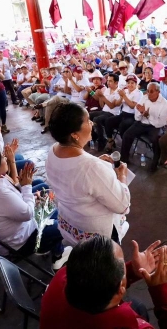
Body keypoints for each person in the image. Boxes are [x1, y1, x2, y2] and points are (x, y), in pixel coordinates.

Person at [40, 236, 167, 329]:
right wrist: (162, 293)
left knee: (138, 306)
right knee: (139, 309)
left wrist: (133, 271)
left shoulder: (62, 275)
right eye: (124, 265)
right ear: (120, 289)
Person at [0, 146, 71, 269]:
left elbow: (15, 199)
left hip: (17, 230)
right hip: (22, 242)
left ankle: (55, 247)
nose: (5, 157)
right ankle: (57, 255)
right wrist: (27, 187)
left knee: (53, 205)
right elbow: (27, 213)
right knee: (66, 223)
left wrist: (31, 196)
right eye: (2, 157)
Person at [46, 103, 131, 244]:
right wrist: (122, 176)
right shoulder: (91, 168)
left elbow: (74, 175)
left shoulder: (53, 150)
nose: (92, 123)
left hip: (69, 224)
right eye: (87, 121)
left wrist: (96, 165)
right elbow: (122, 206)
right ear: (74, 135)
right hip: (95, 239)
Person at [120, 83, 167, 172]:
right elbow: (137, 116)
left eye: (151, 91)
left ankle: (155, 163)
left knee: (156, 139)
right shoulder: (144, 98)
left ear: (158, 92)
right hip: (142, 123)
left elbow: (161, 123)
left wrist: (147, 115)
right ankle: (124, 159)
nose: (149, 94)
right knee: (127, 135)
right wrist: (141, 113)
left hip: (156, 126)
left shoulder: (164, 103)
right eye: (148, 91)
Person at [105, 74, 143, 149]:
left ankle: (126, 144)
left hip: (132, 116)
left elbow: (132, 105)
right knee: (108, 121)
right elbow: (118, 103)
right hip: (123, 114)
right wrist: (121, 97)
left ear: (136, 84)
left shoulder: (138, 93)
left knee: (123, 126)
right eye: (128, 83)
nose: (130, 85)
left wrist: (124, 96)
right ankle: (110, 141)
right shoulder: (125, 91)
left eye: (132, 83)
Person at [89, 73, 122, 151]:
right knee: (88, 115)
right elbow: (102, 105)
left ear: (116, 82)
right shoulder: (107, 90)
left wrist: (102, 96)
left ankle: (102, 139)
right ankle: (94, 136)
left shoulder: (119, 92)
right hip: (104, 111)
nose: (108, 83)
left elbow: (111, 106)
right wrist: (100, 96)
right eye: (107, 81)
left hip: (113, 114)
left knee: (97, 119)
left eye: (110, 81)